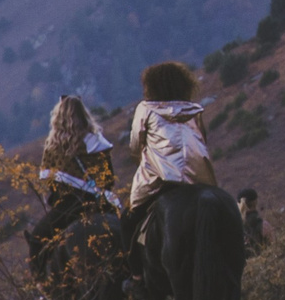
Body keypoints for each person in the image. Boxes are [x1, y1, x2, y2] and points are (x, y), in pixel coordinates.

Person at [121, 61, 215, 243]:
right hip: (198, 177)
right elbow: (203, 139)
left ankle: (136, 272)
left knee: (127, 222)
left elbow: (135, 148)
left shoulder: (145, 109)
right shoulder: (195, 110)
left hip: (161, 178)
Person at [31, 94, 122, 246]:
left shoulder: (54, 147)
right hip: (101, 202)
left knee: (37, 240)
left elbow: (52, 183)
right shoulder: (97, 142)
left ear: (58, 117)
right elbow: (108, 178)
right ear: (84, 114)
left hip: (69, 205)